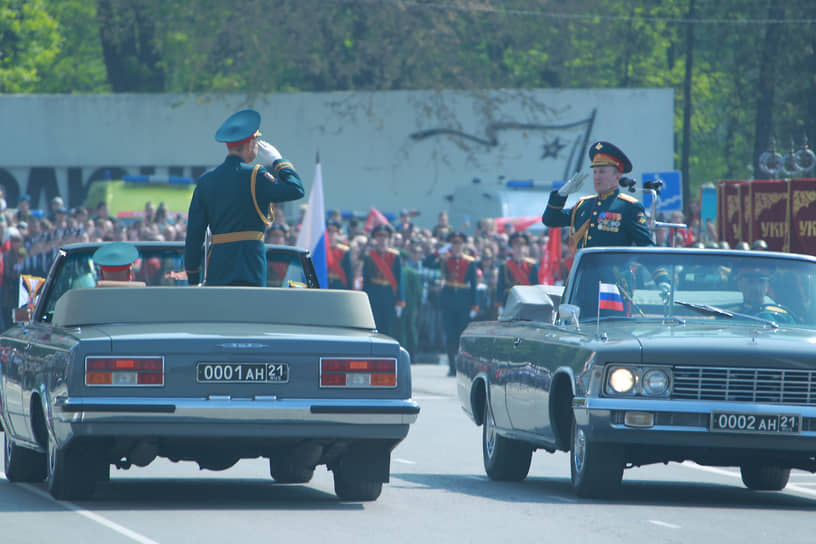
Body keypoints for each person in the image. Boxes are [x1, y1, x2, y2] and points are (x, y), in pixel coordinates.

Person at [185, 109, 304, 286]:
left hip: (218, 266)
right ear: (250, 144)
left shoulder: (206, 181)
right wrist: (278, 161)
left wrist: (193, 277)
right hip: (251, 265)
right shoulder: (256, 176)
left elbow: (194, 235)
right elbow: (296, 189)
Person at [542, 141, 653, 250]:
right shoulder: (584, 205)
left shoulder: (629, 207)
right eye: (595, 172)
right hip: (585, 268)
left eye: (602, 172)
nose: (597, 177)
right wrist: (561, 195)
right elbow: (550, 220)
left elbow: (646, 246)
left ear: (617, 176)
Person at [438, 232, 478, 376]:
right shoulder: (444, 260)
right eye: (454, 244)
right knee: (450, 335)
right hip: (448, 301)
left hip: (463, 302)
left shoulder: (469, 261)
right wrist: (440, 251)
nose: (457, 246)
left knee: (462, 334)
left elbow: (473, 285)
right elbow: (427, 262)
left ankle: (463, 365)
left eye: (459, 244)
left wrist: (474, 305)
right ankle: (451, 366)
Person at [362, 224, 405, 336]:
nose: (382, 239)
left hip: (389, 296)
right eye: (379, 236)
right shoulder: (369, 256)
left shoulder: (394, 256)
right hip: (374, 295)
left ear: (389, 238)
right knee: (374, 328)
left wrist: (400, 301)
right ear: (375, 238)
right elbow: (366, 280)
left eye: (385, 236)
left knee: (388, 329)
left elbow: (399, 279)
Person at [496, 232, 538, 314]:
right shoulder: (505, 266)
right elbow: (500, 287)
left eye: (522, 245)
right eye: (516, 245)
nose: (519, 248)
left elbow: (535, 285)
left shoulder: (531, 265)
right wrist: (499, 304)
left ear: (525, 248)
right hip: (509, 301)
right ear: (512, 247)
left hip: (527, 301)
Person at [326, 220, 353, 289]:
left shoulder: (344, 251)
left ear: (337, 234)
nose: (331, 234)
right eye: (329, 231)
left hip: (339, 285)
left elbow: (349, 273)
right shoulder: (322, 251)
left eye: (334, 232)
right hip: (324, 284)